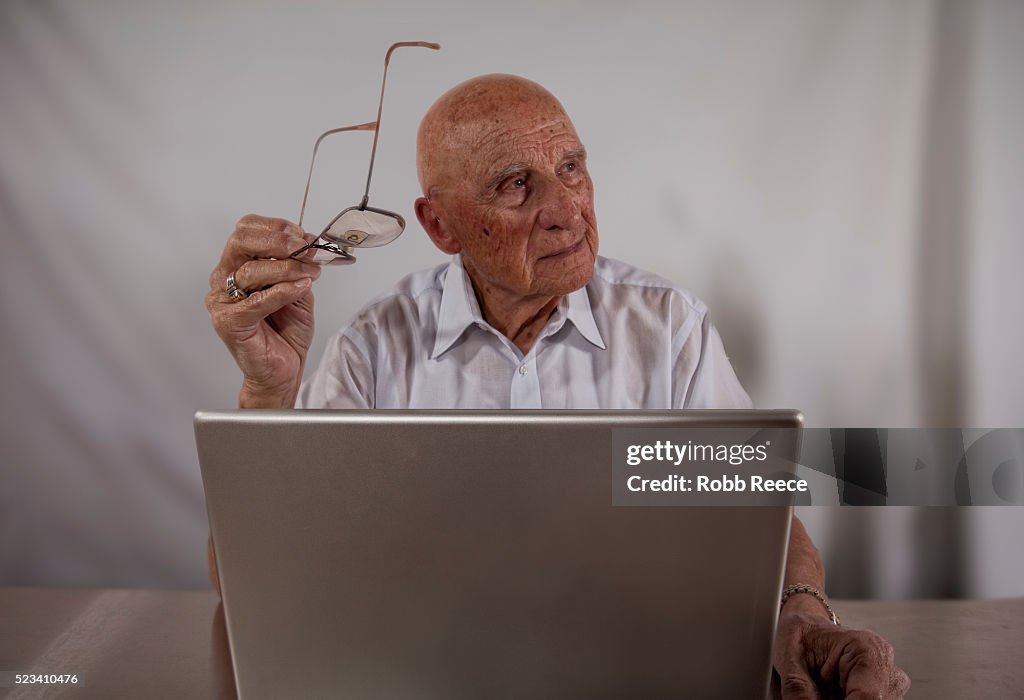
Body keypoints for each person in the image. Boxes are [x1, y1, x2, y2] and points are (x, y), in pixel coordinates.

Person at [206, 73, 910, 698]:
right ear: (439, 225)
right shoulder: (373, 346)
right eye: (517, 184)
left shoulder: (668, 328)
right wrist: (266, 395)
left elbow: (757, 515)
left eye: (571, 167)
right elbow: (260, 585)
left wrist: (803, 611)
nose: (568, 209)